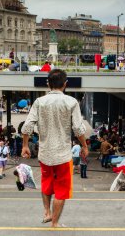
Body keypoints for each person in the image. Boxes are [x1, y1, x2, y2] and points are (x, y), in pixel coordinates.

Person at [21, 69, 88, 228]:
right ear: (65, 84)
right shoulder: (71, 102)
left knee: (46, 183)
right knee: (61, 191)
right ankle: (55, 224)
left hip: (45, 154)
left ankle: (47, 212)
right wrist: (84, 146)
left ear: (48, 84)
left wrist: (25, 145)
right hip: (63, 156)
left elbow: (27, 125)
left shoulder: (39, 102)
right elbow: (78, 129)